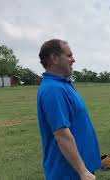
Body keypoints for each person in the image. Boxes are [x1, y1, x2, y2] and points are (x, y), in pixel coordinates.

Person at [37, 39, 101, 180]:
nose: (73, 60)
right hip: (69, 173)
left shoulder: (64, 85)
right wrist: (83, 171)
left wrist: (93, 159)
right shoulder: (53, 90)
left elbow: (78, 126)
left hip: (79, 169)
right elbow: (62, 135)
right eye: (69, 55)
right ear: (54, 58)